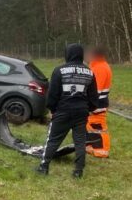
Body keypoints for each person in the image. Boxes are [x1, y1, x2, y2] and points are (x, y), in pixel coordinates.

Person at [36, 44, 99, 178]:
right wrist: (88, 109)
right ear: (81, 54)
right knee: (80, 142)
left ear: (68, 54)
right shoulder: (90, 72)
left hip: (62, 111)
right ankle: (78, 171)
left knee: (52, 139)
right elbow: (94, 97)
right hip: (81, 112)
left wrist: (52, 109)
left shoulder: (59, 70)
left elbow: (52, 94)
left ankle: (44, 166)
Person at [86, 47, 112, 158]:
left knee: (98, 128)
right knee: (92, 127)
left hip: (97, 104)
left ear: (95, 55)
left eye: (89, 54)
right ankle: (93, 147)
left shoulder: (99, 68)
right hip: (97, 104)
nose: (87, 55)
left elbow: (96, 90)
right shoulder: (97, 65)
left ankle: (102, 150)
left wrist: (90, 104)